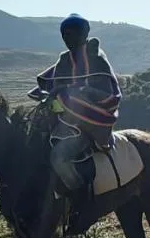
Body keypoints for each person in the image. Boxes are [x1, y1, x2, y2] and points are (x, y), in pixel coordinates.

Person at [28, 13, 121, 218]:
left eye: (72, 34)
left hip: (90, 121)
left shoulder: (97, 59)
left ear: (84, 33)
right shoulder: (64, 60)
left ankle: (82, 205)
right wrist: (52, 94)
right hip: (61, 120)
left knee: (59, 158)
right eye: (64, 35)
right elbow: (48, 83)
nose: (68, 38)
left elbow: (110, 95)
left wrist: (80, 93)